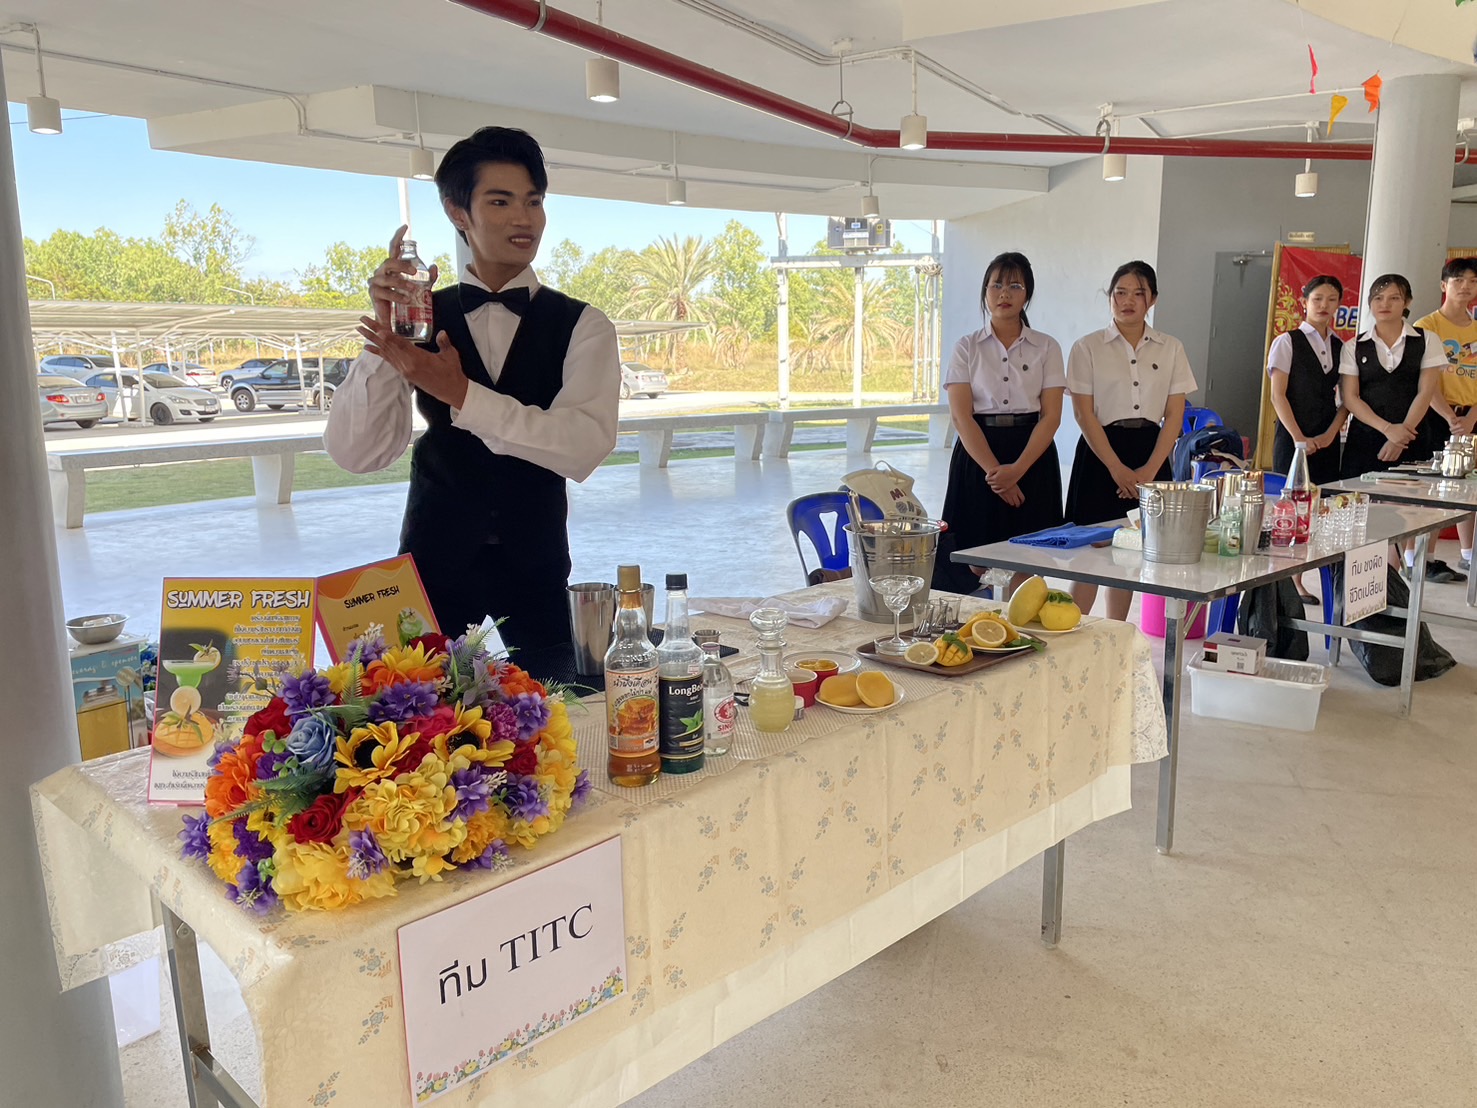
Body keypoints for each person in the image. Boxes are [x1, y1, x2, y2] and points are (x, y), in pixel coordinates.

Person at [325, 126, 621, 649]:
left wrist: (463, 395)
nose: (523, 218)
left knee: (555, 696)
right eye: (500, 201)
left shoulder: (583, 325)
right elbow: (357, 453)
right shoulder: (420, 316)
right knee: (418, 700)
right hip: (431, 562)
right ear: (458, 213)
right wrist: (386, 339)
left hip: (536, 565)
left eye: (533, 201)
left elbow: (583, 445)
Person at [1064, 260, 1197, 622]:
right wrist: (1116, 468)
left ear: (1152, 299)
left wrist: (1149, 472)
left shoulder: (1171, 348)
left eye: (1138, 293)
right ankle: (1071, 632)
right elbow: (1083, 415)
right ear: (1109, 297)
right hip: (1100, 453)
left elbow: (1174, 416)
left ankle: (1115, 633)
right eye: (1120, 292)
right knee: (1091, 552)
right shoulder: (1087, 347)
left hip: (1150, 451)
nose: (1127, 300)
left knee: (1131, 551)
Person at [932, 252, 1066, 595]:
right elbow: (961, 416)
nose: (1004, 293)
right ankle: (986, 621)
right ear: (985, 292)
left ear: (1027, 294)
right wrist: (998, 475)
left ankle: (1018, 620)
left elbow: (1051, 416)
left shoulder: (1046, 347)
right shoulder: (967, 347)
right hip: (979, 454)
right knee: (975, 556)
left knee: (1031, 555)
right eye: (996, 285)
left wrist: (1017, 470)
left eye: (1015, 285)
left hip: (1031, 455)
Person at [1338, 273, 1454, 582]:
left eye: (1393, 298)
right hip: (1366, 439)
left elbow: (1426, 392)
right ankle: (1362, 581)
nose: (1385, 304)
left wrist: (1401, 434)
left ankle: (1391, 578)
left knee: (1404, 509)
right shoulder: (1354, 346)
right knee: (1364, 509)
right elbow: (1351, 398)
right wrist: (1388, 429)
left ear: (1407, 302)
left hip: (1413, 436)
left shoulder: (1426, 340)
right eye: (1378, 298)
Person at [1413, 257, 1477, 574]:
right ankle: (1423, 559)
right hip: (1437, 415)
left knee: (1470, 485)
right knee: (1435, 486)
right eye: (1458, 280)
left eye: (1472, 281)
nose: (1466, 286)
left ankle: (1468, 554)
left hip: (1471, 417)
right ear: (1444, 285)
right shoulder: (1427, 326)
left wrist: (1471, 418)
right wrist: (1450, 417)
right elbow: (1424, 381)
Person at [1267, 275, 1348, 485]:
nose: (1324, 305)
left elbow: (1347, 399)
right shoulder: (1287, 341)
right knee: (1290, 496)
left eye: (1331, 299)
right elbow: (1277, 395)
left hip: (1326, 441)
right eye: (1317, 299)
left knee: (1326, 496)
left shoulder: (1341, 346)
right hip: (1292, 437)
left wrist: (1330, 435)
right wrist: (1299, 438)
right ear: (1304, 302)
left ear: (1338, 305)